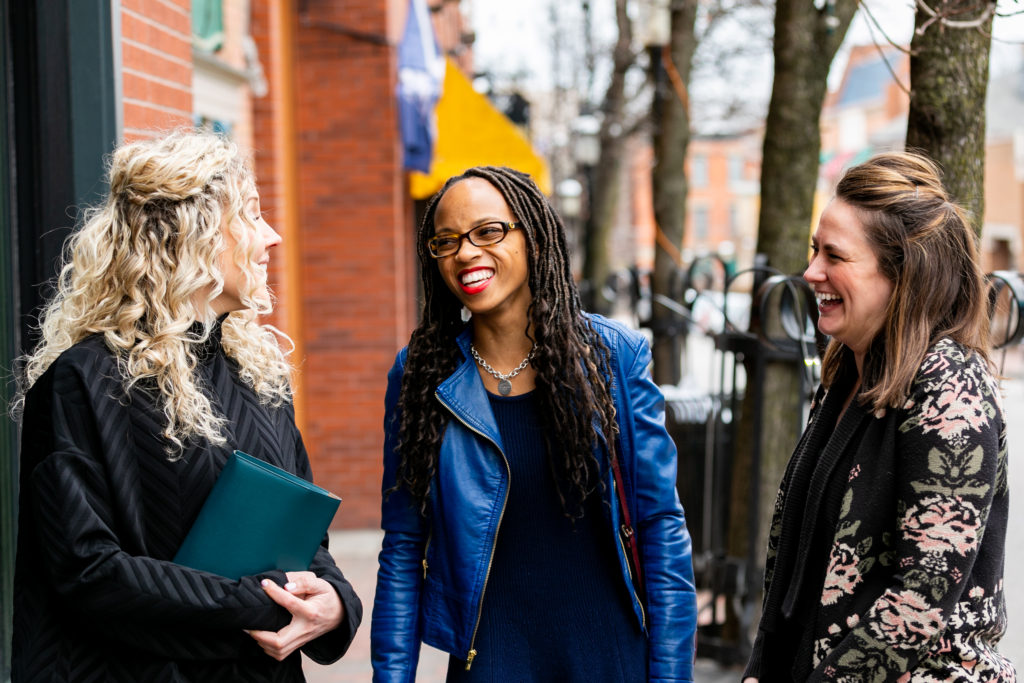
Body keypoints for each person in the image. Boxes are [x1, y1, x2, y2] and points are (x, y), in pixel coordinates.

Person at [11, 131, 362, 682]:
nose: (270, 237)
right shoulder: (85, 379)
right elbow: (86, 570)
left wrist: (335, 604)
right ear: (190, 234)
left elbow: (300, 536)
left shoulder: (258, 372)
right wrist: (260, 601)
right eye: (249, 216)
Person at [370, 166, 697, 682]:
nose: (466, 253)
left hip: (611, 661)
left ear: (535, 236)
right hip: (492, 665)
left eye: (488, 231)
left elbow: (660, 527)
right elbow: (405, 546)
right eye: (447, 240)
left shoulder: (613, 359)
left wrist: (671, 676)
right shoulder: (420, 374)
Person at [742, 152, 1014, 681]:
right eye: (813, 250)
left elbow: (923, 598)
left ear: (902, 275)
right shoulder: (848, 371)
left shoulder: (950, 387)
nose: (811, 272)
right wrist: (763, 665)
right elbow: (798, 559)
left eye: (835, 256)